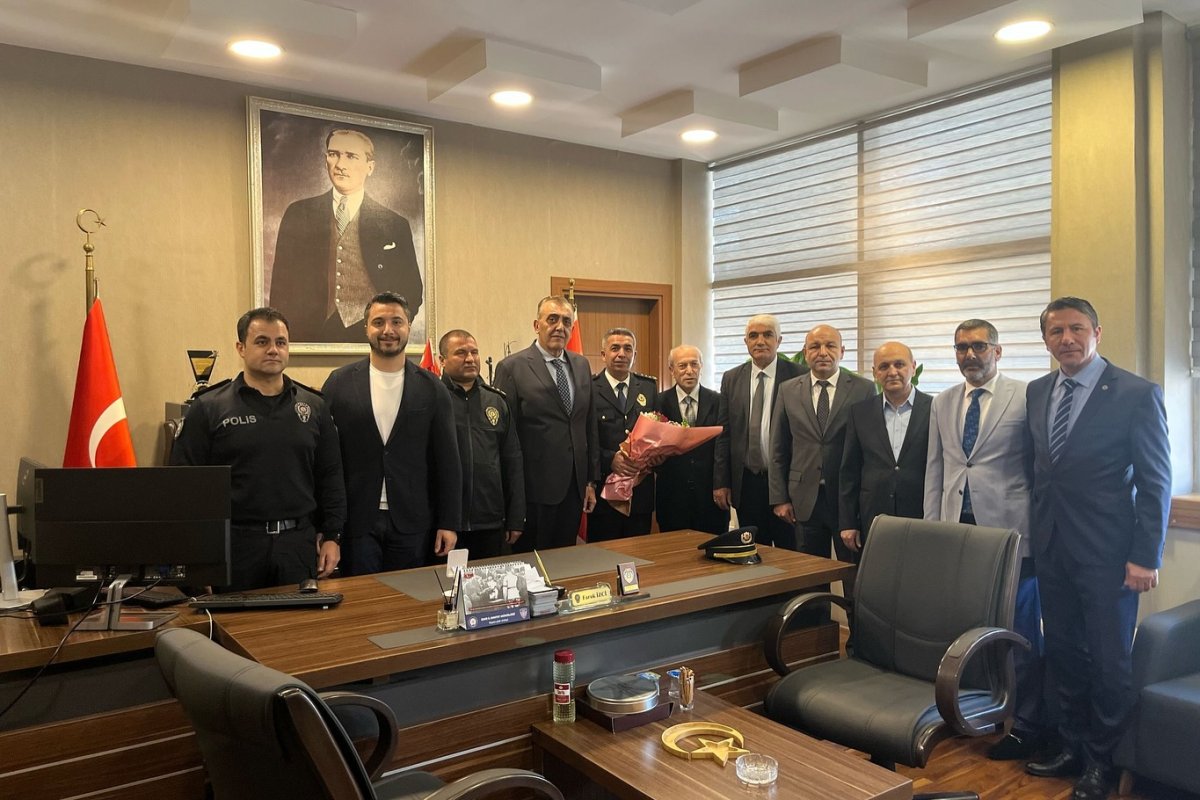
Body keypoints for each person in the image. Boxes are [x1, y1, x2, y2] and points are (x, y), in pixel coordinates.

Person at [1023, 297, 1171, 800]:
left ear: (1097, 333)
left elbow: (1155, 482)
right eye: (1056, 331)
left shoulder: (1136, 394)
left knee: (1109, 663)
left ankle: (1103, 763)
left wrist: (1146, 556)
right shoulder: (1038, 391)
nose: (1067, 339)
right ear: (1045, 339)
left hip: (1111, 555)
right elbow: (1040, 471)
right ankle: (1071, 745)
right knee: (1064, 653)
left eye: (1077, 328)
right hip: (1052, 548)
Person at [925, 319, 1048, 761]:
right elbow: (936, 470)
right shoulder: (942, 401)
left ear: (998, 351)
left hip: (1013, 536)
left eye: (979, 346)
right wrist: (933, 531)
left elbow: (1038, 469)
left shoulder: (1026, 396)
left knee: (1018, 632)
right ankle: (976, 712)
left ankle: (1028, 723)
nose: (970, 355)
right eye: (961, 347)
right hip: (959, 536)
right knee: (966, 628)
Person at [171, 307, 345, 590]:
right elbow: (186, 486)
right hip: (235, 545)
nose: (273, 350)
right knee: (235, 619)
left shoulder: (314, 406)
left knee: (297, 619)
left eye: (280, 342)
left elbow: (331, 476)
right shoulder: (209, 407)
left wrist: (332, 536)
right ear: (241, 348)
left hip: (297, 544)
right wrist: (197, 554)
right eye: (262, 341)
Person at [322, 291, 460, 574]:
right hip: (356, 520)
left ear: (409, 326)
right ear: (366, 328)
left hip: (413, 520)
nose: (388, 330)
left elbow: (448, 460)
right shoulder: (339, 383)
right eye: (379, 322)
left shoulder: (432, 388)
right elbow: (325, 459)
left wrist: (448, 522)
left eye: (397, 322)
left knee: (408, 597)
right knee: (363, 598)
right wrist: (327, 527)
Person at [270, 129, 423, 343]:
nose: (341, 164)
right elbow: (280, 287)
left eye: (351, 156)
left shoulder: (395, 224)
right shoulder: (298, 213)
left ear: (370, 167)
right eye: (334, 154)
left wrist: (388, 331)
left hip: (369, 339)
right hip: (310, 334)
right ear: (326, 160)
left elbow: (412, 291)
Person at [493, 295, 599, 551]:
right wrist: (512, 499)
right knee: (533, 565)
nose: (560, 327)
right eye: (552, 319)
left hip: (574, 489)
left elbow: (589, 427)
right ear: (536, 325)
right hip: (533, 492)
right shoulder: (512, 368)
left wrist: (590, 482)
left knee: (566, 562)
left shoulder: (581, 365)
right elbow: (505, 438)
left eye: (566, 321)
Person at [768, 324, 874, 562]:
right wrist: (780, 498)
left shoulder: (863, 389)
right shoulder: (788, 390)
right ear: (805, 352)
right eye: (815, 346)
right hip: (804, 498)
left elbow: (870, 449)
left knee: (852, 570)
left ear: (842, 351)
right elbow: (778, 448)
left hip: (847, 499)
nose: (823, 352)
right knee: (810, 571)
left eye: (830, 346)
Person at [714, 314, 803, 548]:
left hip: (785, 484)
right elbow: (724, 434)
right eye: (753, 336)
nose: (760, 341)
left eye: (767, 335)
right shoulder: (732, 378)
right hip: (747, 484)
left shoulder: (798, 376)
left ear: (779, 340)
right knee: (752, 553)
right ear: (746, 342)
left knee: (789, 555)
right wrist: (721, 482)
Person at [438, 328, 524, 559]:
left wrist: (516, 517)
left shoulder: (497, 401)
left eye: (474, 352)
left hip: (490, 521)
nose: (470, 359)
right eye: (461, 353)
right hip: (445, 523)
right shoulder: (432, 398)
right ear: (442, 360)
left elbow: (512, 462)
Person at [838, 341, 931, 554]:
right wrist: (848, 522)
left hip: (921, 516)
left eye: (899, 364)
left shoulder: (934, 409)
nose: (892, 372)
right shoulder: (859, 412)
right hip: (873, 517)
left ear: (913, 367)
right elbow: (849, 471)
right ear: (875, 373)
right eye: (884, 366)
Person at [590, 328, 658, 541]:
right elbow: (585, 439)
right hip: (604, 493)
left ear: (634, 355)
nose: (621, 354)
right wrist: (610, 459)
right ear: (603, 354)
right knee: (603, 554)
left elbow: (658, 433)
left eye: (628, 349)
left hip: (640, 492)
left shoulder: (648, 387)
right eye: (615, 348)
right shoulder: (590, 388)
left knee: (639, 553)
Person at [655, 345, 729, 535]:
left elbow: (724, 446)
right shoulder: (658, 402)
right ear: (671, 370)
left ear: (701, 367)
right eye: (682, 366)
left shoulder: (719, 401)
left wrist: (722, 484)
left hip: (711, 495)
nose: (689, 371)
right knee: (674, 549)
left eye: (694, 364)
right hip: (672, 495)